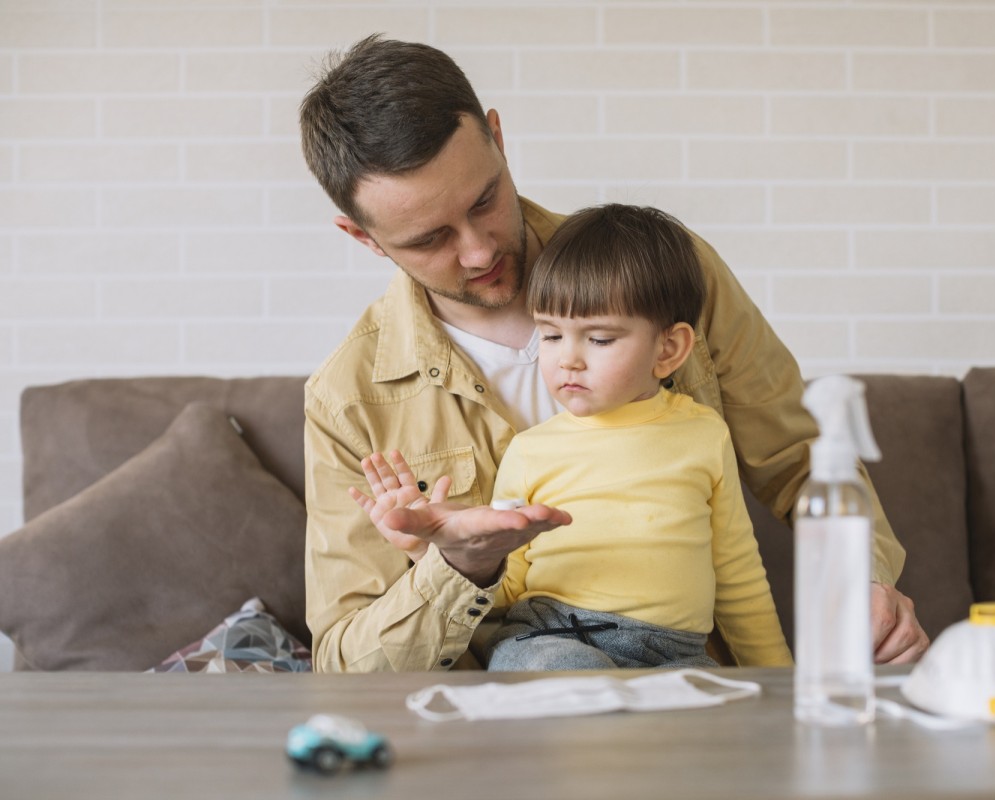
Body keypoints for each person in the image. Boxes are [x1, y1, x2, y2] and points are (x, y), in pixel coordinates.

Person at [299, 34, 928, 673]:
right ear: (364, 238)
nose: (479, 252)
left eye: (484, 200)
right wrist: (454, 564)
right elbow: (344, 667)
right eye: (431, 238)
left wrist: (865, 584)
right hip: (509, 719)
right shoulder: (348, 400)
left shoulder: (662, 271)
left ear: (498, 138)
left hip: (688, 680)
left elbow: (800, 456)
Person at [377, 203, 791, 671]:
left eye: (598, 340)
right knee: (561, 672)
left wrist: (780, 680)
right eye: (551, 336)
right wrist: (430, 549)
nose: (567, 360)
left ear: (668, 348)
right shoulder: (531, 450)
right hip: (549, 634)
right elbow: (508, 589)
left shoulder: (704, 436)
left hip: (673, 654)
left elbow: (737, 573)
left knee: (713, 709)